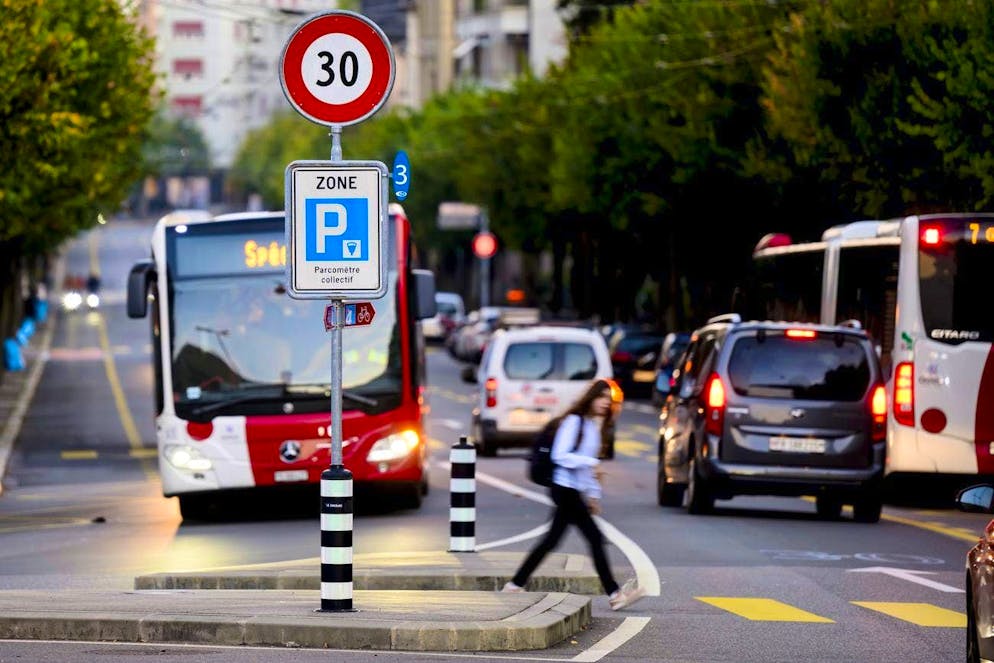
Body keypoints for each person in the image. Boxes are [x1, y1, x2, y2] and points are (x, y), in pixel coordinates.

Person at [502, 379, 646, 611]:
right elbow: (560, 455)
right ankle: (614, 593)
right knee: (594, 538)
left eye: (608, 400)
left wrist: (593, 495)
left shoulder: (592, 426)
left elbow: (587, 469)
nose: (605, 403)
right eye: (601, 398)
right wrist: (590, 462)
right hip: (563, 488)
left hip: (572, 490)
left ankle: (515, 584)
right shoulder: (573, 422)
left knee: (552, 540)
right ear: (591, 398)